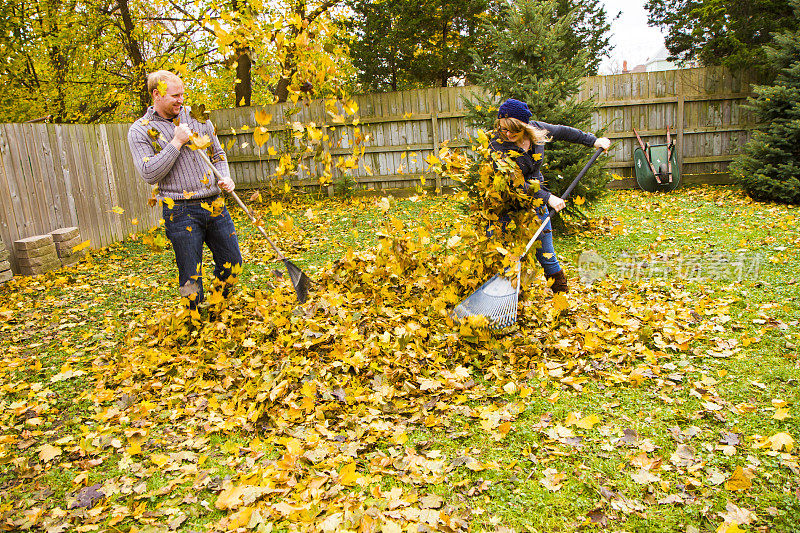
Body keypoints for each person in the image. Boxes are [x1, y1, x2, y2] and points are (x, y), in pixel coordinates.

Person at [128, 70, 243, 309]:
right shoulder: (140, 130)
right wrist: (176, 142)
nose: (181, 100)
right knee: (191, 277)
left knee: (232, 263)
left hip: (214, 203)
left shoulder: (198, 117)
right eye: (174, 96)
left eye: (182, 94)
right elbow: (149, 174)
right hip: (179, 210)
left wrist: (225, 176)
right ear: (157, 94)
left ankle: (217, 306)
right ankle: (194, 320)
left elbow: (217, 154)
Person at [489, 98, 610, 294]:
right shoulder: (497, 145)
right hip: (506, 204)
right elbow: (515, 182)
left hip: (536, 201)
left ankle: (561, 299)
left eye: (513, 129)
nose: (508, 134)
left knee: (546, 254)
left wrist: (593, 141)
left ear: (525, 126)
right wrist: (548, 198)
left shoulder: (537, 130)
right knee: (505, 257)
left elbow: (564, 132)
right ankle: (508, 300)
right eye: (503, 129)